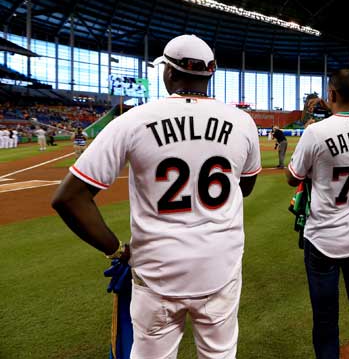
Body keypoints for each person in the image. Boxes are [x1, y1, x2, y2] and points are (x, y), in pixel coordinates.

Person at [51, 34, 261, 359]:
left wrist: (116, 250)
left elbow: (69, 198)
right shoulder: (242, 122)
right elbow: (244, 186)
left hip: (157, 272)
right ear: (210, 74)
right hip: (221, 266)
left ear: (169, 72)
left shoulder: (134, 120)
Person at [286, 69, 349, 359]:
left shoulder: (316, 131)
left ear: (332, 94)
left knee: (326, 320)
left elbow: (293, 177)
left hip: (323, 241)